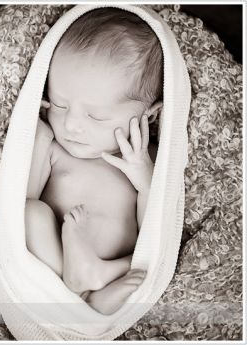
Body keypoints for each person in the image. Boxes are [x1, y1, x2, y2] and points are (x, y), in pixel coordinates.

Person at [25, 7, 163, 315]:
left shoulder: (144, 157)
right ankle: (79, 285)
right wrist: (36, 131)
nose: (71, 125)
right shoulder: (53, 146)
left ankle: (94, 281)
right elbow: (23, 196)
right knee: (31, 215)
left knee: (156, 260)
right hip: (58, 259)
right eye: (59, 104)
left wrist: (144, 175)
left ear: (148, 115)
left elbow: (154, 222)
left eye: (96, 116)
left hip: (119, 267)